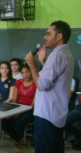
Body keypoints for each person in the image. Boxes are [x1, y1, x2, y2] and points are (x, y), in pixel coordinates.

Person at [25, 20, 74, 153]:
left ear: (59, 36)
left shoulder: (56, 55)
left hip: (46, 114)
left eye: (48, 34)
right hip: (57, 114)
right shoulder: (67, 55)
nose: (44, 37)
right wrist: (43, 62)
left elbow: (41, 85)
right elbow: (54, 77)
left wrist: (32, 64)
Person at [2, 64, 36, 149]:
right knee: (3, 121)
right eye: (23, 72)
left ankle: (17, 139)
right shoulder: (19, 82)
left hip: (30, 110)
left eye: (27, 72)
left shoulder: (36, 83)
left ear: (31, 71)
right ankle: (19, 138)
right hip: (18, 107)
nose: (25, 74)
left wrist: (20, 113)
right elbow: (14, 99)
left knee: (18, 123)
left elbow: (33, 104)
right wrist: (14, 111)